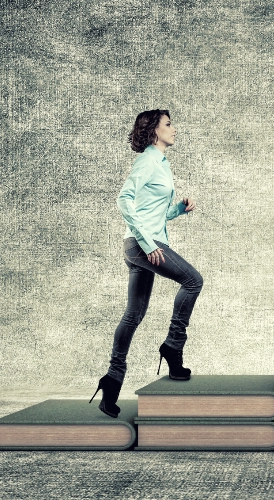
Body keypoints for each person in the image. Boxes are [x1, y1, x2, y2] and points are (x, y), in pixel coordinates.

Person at [90, 109, 204, 418]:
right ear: (155, 130)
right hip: (144, 246)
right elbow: (124, 200)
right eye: (169, 124)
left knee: (133, 314)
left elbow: (154, 212)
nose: (174, 129)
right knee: (193, 281)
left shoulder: (162, 165)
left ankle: (112, 381)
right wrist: (148, 243)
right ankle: (173, 346)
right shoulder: (147, 161)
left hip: (141, 245)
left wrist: (178, 209)